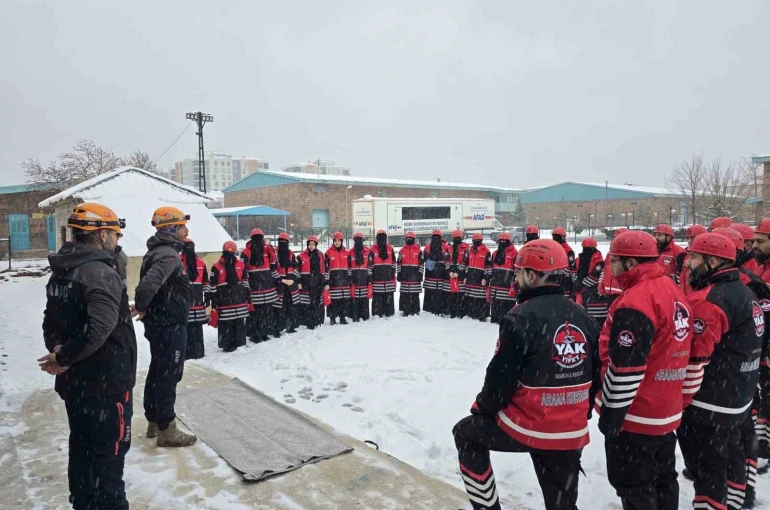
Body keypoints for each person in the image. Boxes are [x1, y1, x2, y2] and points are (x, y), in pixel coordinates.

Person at [452, 239, 600, 510]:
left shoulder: (519, 318)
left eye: (519, 272)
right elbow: (595, 374)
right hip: (571, 430)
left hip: (530, 425)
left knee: (465, 433)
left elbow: (499, 381)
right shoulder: (584, 316)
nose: (516, 278)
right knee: (562, 503)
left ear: (532, 276)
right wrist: (580, 412)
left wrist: (482, 408)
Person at [39, 203, 136, 509]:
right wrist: (63, 357)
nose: (117, 240)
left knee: (82, 450)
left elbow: (51, 321)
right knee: (109, 455)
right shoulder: (99, 272)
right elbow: (99, 329)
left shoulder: (63, 270)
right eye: (115, 234)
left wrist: (59, 352)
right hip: (106, 385)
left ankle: (84, 503)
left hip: (77, 385)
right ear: (102, 234)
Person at [596, 230, 692, 510]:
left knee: (636, 487)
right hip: (665, 409)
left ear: (630, 263)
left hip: (636, 414)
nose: (611, 267)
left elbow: (626, 369)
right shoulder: (671, 289)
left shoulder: (636, 302)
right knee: (664, 479)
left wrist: (611, 417)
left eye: (614, 261)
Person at [678, 232, 762, 510]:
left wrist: (680, 402)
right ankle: (734, 502)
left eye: (694, 257)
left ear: (712, 262)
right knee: (731, 461)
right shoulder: (745, 291)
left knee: (708, 469)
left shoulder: (709, 300)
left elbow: (694, 359)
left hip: (710, 402)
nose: (688, 263)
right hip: (738, 396)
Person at [133, 206, 196, 447]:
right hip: (169, 324)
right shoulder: (168, 255)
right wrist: (142, 305)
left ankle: (154, 419)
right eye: (182, 227)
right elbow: (147, 286)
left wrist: (146, 308)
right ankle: (166, 428)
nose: (186, 231)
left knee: (159, 370)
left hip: (161, 322)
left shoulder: (157, 251)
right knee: (169, 373)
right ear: (171, 229)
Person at [209, 241, 250, 351]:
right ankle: (227, 345)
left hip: (239, 300)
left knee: (239, 322)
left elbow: (245, 281)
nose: (230, 255)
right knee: (226, 324)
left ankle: (240, 343)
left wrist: (247, 296)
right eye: (228, 253)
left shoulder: (241, 265)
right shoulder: (216, 267)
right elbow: (212, 286)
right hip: (224, 301)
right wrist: (214, 301)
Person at [241, 228, 281, 342]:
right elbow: (243, 270)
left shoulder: (267, 250)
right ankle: (254, 334)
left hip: (267, 286)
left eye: (259, 238)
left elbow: (273, 266)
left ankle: (264, 332)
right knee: (255, 312)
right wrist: (245, 285)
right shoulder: (246, 252)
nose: (258, 240)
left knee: (266, 312)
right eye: (256, 238)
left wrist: (279, 279)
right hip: (255, 287)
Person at [181, 239, 209, 359]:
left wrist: (207, 295)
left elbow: (206, 282)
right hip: (185, 303)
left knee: (196, 329)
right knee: (188, 329)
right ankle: (190, 353)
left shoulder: (201, 263)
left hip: (196, 302)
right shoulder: (177, 262)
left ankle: (197, 352)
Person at [572, 237, 607, 326]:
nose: (585, 250)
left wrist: (581, 285)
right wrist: (575, 281)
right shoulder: (578, 259)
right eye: (584, 248)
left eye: (588, 248)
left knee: (595, 322)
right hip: (582, 295)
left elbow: (595, 276)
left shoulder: (599, 262)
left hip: (594, 294)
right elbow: (573, 271)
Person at [296, 235, 326, 329]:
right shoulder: (301, 256)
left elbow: (323, 269)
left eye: (313, 244)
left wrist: (324, 282)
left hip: (317, 281)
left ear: (316, 245)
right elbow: (297, 270)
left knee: (316, 302)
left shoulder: (320, 255)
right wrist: (298, 282)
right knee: (307, 303)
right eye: (309, 244)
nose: (311, 246)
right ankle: (308, 322)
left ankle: (316, 320)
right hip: (306, 281)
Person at [274, 232, 300, 333]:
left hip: (290, 285)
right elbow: (272, 269)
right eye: (281, 241)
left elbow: (296, 268)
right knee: (278, 307)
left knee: (291, 306)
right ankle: (277, 329)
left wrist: (293, 279)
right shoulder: (274, 254)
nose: (283, 243)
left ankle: (290, 326)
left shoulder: (291, 254)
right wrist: (281, 280)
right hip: (279, 285)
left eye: (285, 241)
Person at [488, 233, 518, 324]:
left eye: (504, 241)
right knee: (495, 313)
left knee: (506, 314)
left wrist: (514, 283)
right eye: (500, 241)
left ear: (509, 242)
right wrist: (488, 278)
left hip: (507, 288)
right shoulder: (494, 253)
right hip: (495, 288)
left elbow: (517, 270)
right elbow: (490, 268)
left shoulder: (515, 253)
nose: (502, 243)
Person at [462, 233, 492, 321]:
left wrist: (485, 278)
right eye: (474, 241)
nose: (476, 242)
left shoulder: (486, 251)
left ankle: (481, 316)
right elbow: (466, 265)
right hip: (470, 279)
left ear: (481, 241)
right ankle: (470, 314)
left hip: (480, 279)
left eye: (478, 241)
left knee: (480, 299)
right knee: (470, 298)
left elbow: (489, 267)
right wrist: (465, 276)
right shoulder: (469, 251)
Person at [598, 227, 628, 309]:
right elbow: (606, 270)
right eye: (615, 238)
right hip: (609, 292)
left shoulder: (628, 256)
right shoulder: (609, 254)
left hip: (622, 293)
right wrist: (602, 286)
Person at [325, 231, 351, 325]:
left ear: (342, 241)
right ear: (333, 241)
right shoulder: (328, 252)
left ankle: (342, 317)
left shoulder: (346, 253)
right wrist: (327, 281)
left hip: (344, 281)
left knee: (343, 300)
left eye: (339, 241)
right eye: (335, 241)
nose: (337, 242)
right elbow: (326, 268)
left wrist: (349, 278)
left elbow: (349, 267)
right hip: (333, 281)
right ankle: (332, 318)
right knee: (333, 301)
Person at [369, 230, 397, 317]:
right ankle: (378, 313)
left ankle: (389, 312)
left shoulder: (390, 248)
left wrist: (392, 272)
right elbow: (370, 265)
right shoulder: (372, 249)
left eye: (383, 237)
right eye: (380, 237)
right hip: (377, 280)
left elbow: (394, 262)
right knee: (377, 299)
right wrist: (371, 276)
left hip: (388, 280)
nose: (382, 239)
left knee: (389, 297)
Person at [397, 231, 424, 317]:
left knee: (415, 294)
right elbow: (399, 263)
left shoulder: (419, 251)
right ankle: (405, 310)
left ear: (414, 239)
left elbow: (421, 264)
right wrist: (399, 273)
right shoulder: (401, 251)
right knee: (405, 294)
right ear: (405, 239)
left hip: (415, 276)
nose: (409, 240)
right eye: (408, 238)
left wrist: (420, 274)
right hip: (404, 276)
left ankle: (415, 310)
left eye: (411, 238)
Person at [422, 230, 449, 314]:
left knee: (436, 292)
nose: (436, 238)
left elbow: (447, 260)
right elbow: (424, 260)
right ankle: (433, 308)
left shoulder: (445, 247)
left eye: (437, 237)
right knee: (433, 292)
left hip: (439, 274)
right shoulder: (427, 247)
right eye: (434, 237)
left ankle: (434, 308)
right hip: (432, 274)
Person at [348, 232, 372, 322]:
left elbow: (370, 266)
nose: (358, 242)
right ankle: (355, 315)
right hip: (354, 278)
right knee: (354, 298)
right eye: (356, 240)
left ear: (363, 241)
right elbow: (348, 266)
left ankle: (364, 315)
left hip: (364, 278)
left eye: (360, 240)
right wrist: (350, 277)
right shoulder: (350, 252)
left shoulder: (368, 251)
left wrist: (370, 277)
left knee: (364, 298)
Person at [446, 230, 469, 318]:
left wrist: (458, 272)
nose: (456, 239)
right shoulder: (449, 248)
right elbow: (446, 260)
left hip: (461, 274)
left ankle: (460, 312)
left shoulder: (466, 248)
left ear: (461, 238)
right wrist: (449, 272)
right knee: (452, 294)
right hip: (451, 273)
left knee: (461, 294)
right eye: (455, 238)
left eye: (458, 238)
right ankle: (452, 312)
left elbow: (465, 262)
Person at [680, 224, 707, 295]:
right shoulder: (685, 254)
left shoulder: (705, 257)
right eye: (688, 238)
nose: (689, 241)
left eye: (693, 238)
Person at [552, 227, 576, 298]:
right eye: (554, 237)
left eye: (557, 237)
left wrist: (562, 275)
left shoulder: (568, 250)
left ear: (563, 237)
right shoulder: (552, 248)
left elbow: (570, 265)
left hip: (564, 281)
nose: (555, 239)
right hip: (553, 279)